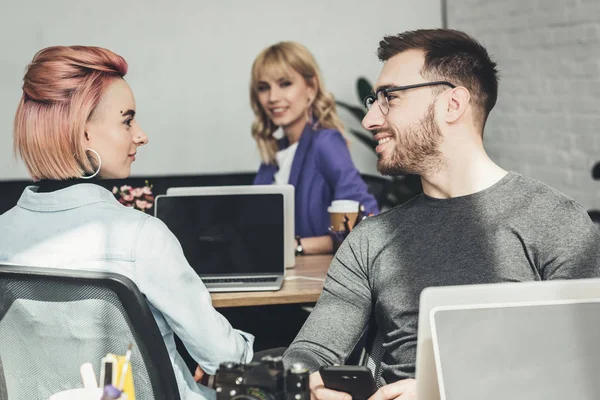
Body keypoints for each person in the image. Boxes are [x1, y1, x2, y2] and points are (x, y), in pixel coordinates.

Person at [282, 29, 600, 400]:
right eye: (373, 99)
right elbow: (307, 354)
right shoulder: (369, 240)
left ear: (453, 104)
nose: (369, 118)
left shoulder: (555, 222)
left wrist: (445, 392)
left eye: (390, 97)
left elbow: (586, 366)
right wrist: (310, 382)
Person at [0, 46, 253, 400]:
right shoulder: (140, 237)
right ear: (82, 133)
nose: (141, 135)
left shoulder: (3, 235)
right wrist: (245, 350)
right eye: (127, 119)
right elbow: (226, 361)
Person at [251, 41, 379, 255]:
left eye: (284, 84)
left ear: (310, 88)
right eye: (264, 88)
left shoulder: (325, 142)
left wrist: (297, 246)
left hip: (317, 276)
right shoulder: (274, 155)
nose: (272, 98)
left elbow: (364, 224)